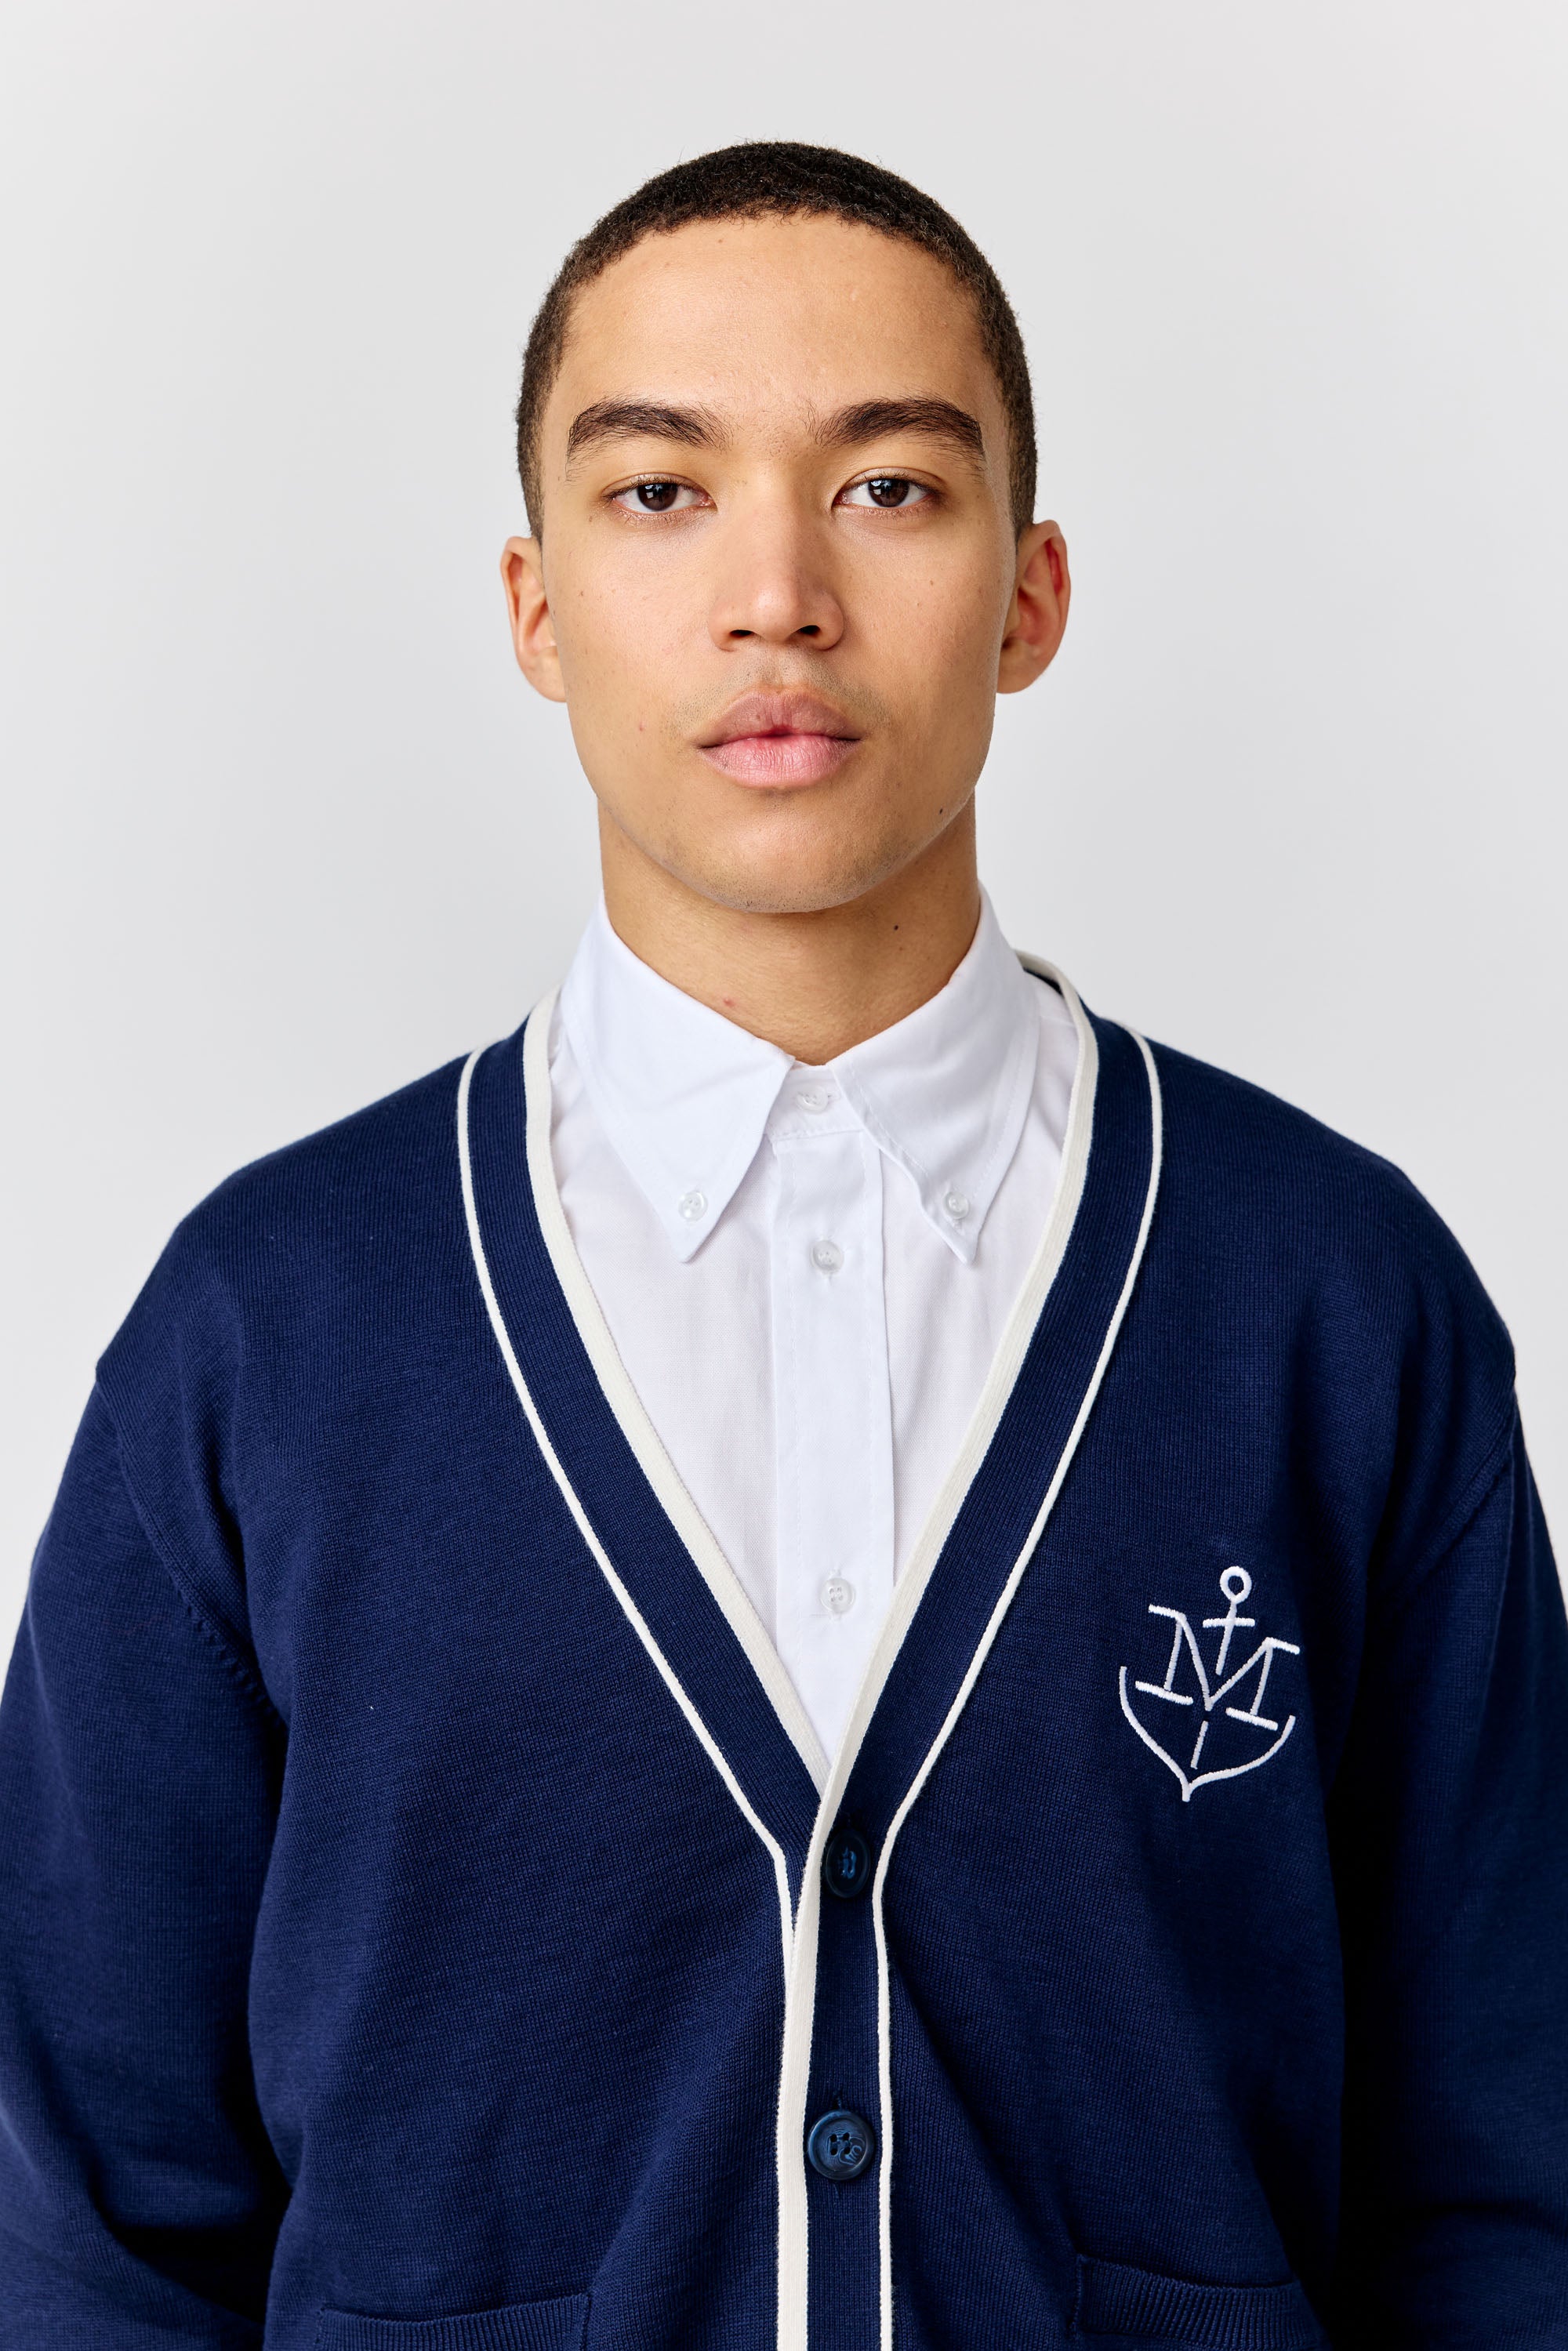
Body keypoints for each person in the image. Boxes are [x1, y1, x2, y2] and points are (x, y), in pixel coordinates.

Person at [0, 139, 1563, 2351]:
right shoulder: (266, 1331)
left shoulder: (1333, 1300)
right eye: (660, 493)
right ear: (538, 607)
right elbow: (81, 2220)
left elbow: (1503, 2185)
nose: (778, 596)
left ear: (1029, 594)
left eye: (889, 489)